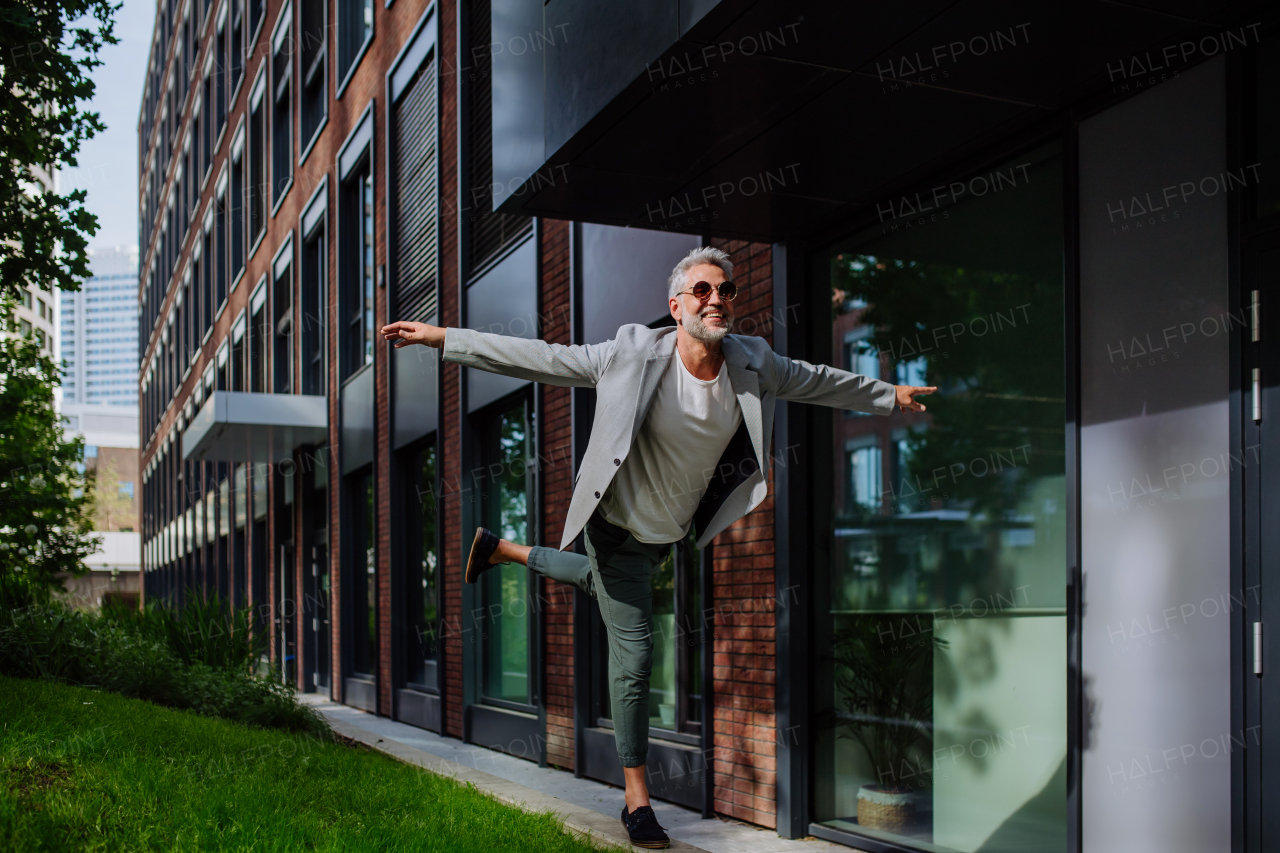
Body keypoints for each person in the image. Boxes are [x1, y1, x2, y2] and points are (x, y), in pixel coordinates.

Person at [382, 246, 934, 849]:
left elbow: (815, 379)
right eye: (702, 290)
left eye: (725, 289)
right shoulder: (631, 353)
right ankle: (636, 799)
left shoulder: (753, 362)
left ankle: (503, 550)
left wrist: (889, 395)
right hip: (615, 524)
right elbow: (542, 358)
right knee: (637, 654)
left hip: (668, 533)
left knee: (602, 587)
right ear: (676, 306)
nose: (717, 298)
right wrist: (444, 338)